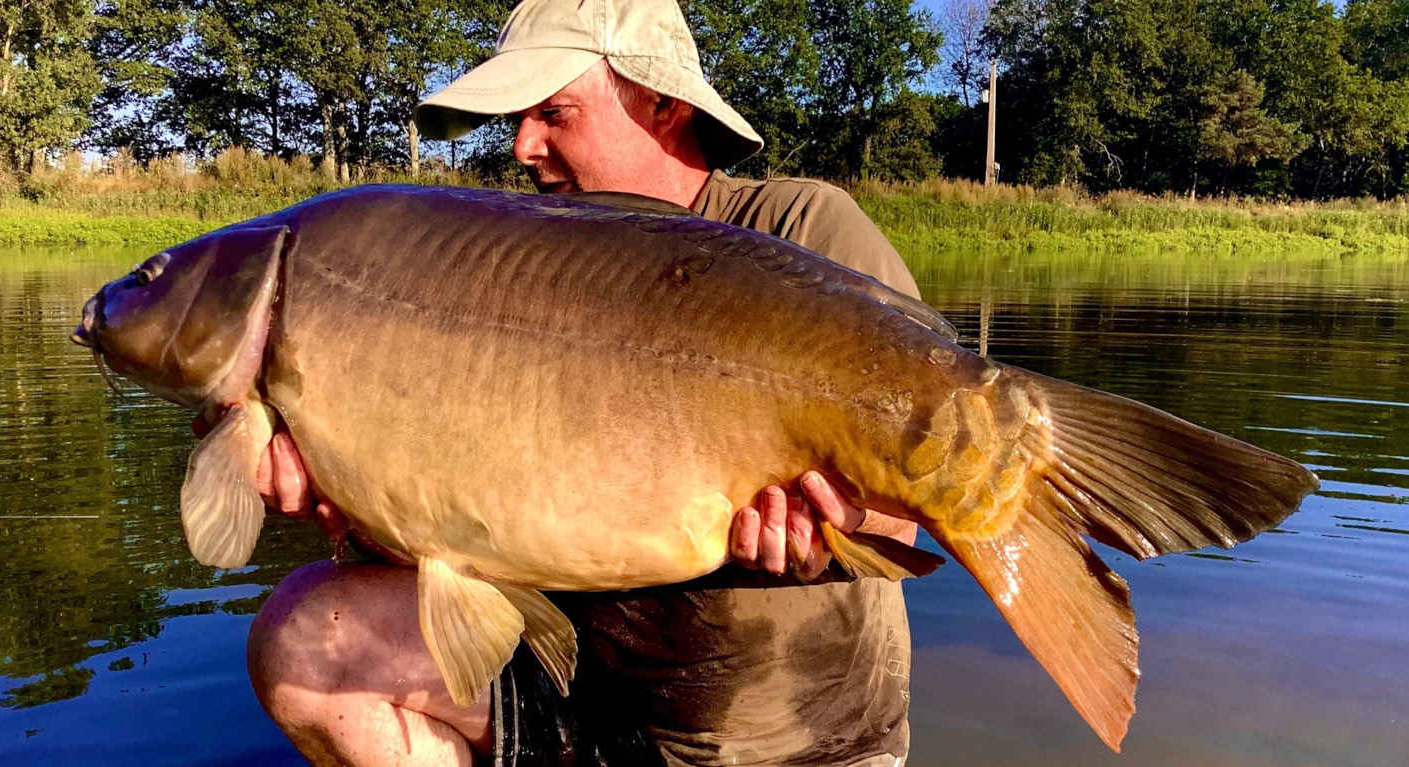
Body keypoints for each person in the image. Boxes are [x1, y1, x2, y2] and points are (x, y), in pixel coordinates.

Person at [240, 1, 925, 764]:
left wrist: (829, 528)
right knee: (306, 640)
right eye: (519, 118)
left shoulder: (801, 231)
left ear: (661, 103)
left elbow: (903, 523)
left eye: (553, 113)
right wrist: (355, 496)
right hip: (585, 705)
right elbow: (470, 528)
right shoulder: (503, 275)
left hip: (796, 740)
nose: (522, 144)